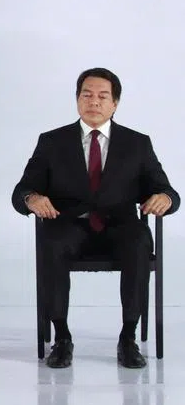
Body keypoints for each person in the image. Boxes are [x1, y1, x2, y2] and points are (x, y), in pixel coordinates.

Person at [12, 67, 178, 369]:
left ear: (115, 104)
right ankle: (61, 336)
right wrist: (31, 199)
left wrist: (164, 198)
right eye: (86, 95)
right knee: (51, 242)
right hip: (69, 224)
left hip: (120, 225)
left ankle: (128, 337)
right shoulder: (52, 141)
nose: (94, 101)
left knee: (140, 243)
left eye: (103, 96)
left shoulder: (137, 143)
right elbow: (22, 190)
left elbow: (165, 189)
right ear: (77, 99)